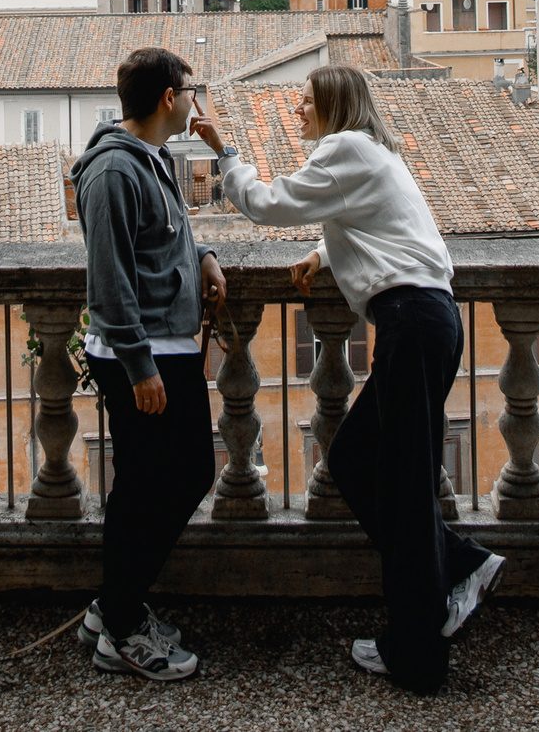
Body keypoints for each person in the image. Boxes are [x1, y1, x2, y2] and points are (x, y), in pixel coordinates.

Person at [211, 64, 502, 693]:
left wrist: (228, 157)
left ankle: (418, 652)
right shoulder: (374, 153)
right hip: (425, 319)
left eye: (307, 102)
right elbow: (389, 228)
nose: (298, 112)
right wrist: (325, 252)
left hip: (411, 320)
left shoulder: (342, 148)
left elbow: (266, 203)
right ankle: (455, 567)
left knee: (397, 480)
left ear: (335, 106)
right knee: (361, 463)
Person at [70, 46, 226, 682]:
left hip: (167, 345)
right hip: (145, 355)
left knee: (152, 483)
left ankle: (115, 609)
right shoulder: (112, 172)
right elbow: (108, 281)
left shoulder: (152, 158)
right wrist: (139, 367)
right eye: (190, 90)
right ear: (169, 97)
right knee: (175, 478)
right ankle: (122, 626)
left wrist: (207, 254)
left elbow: (169, 233)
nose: (194, 99)